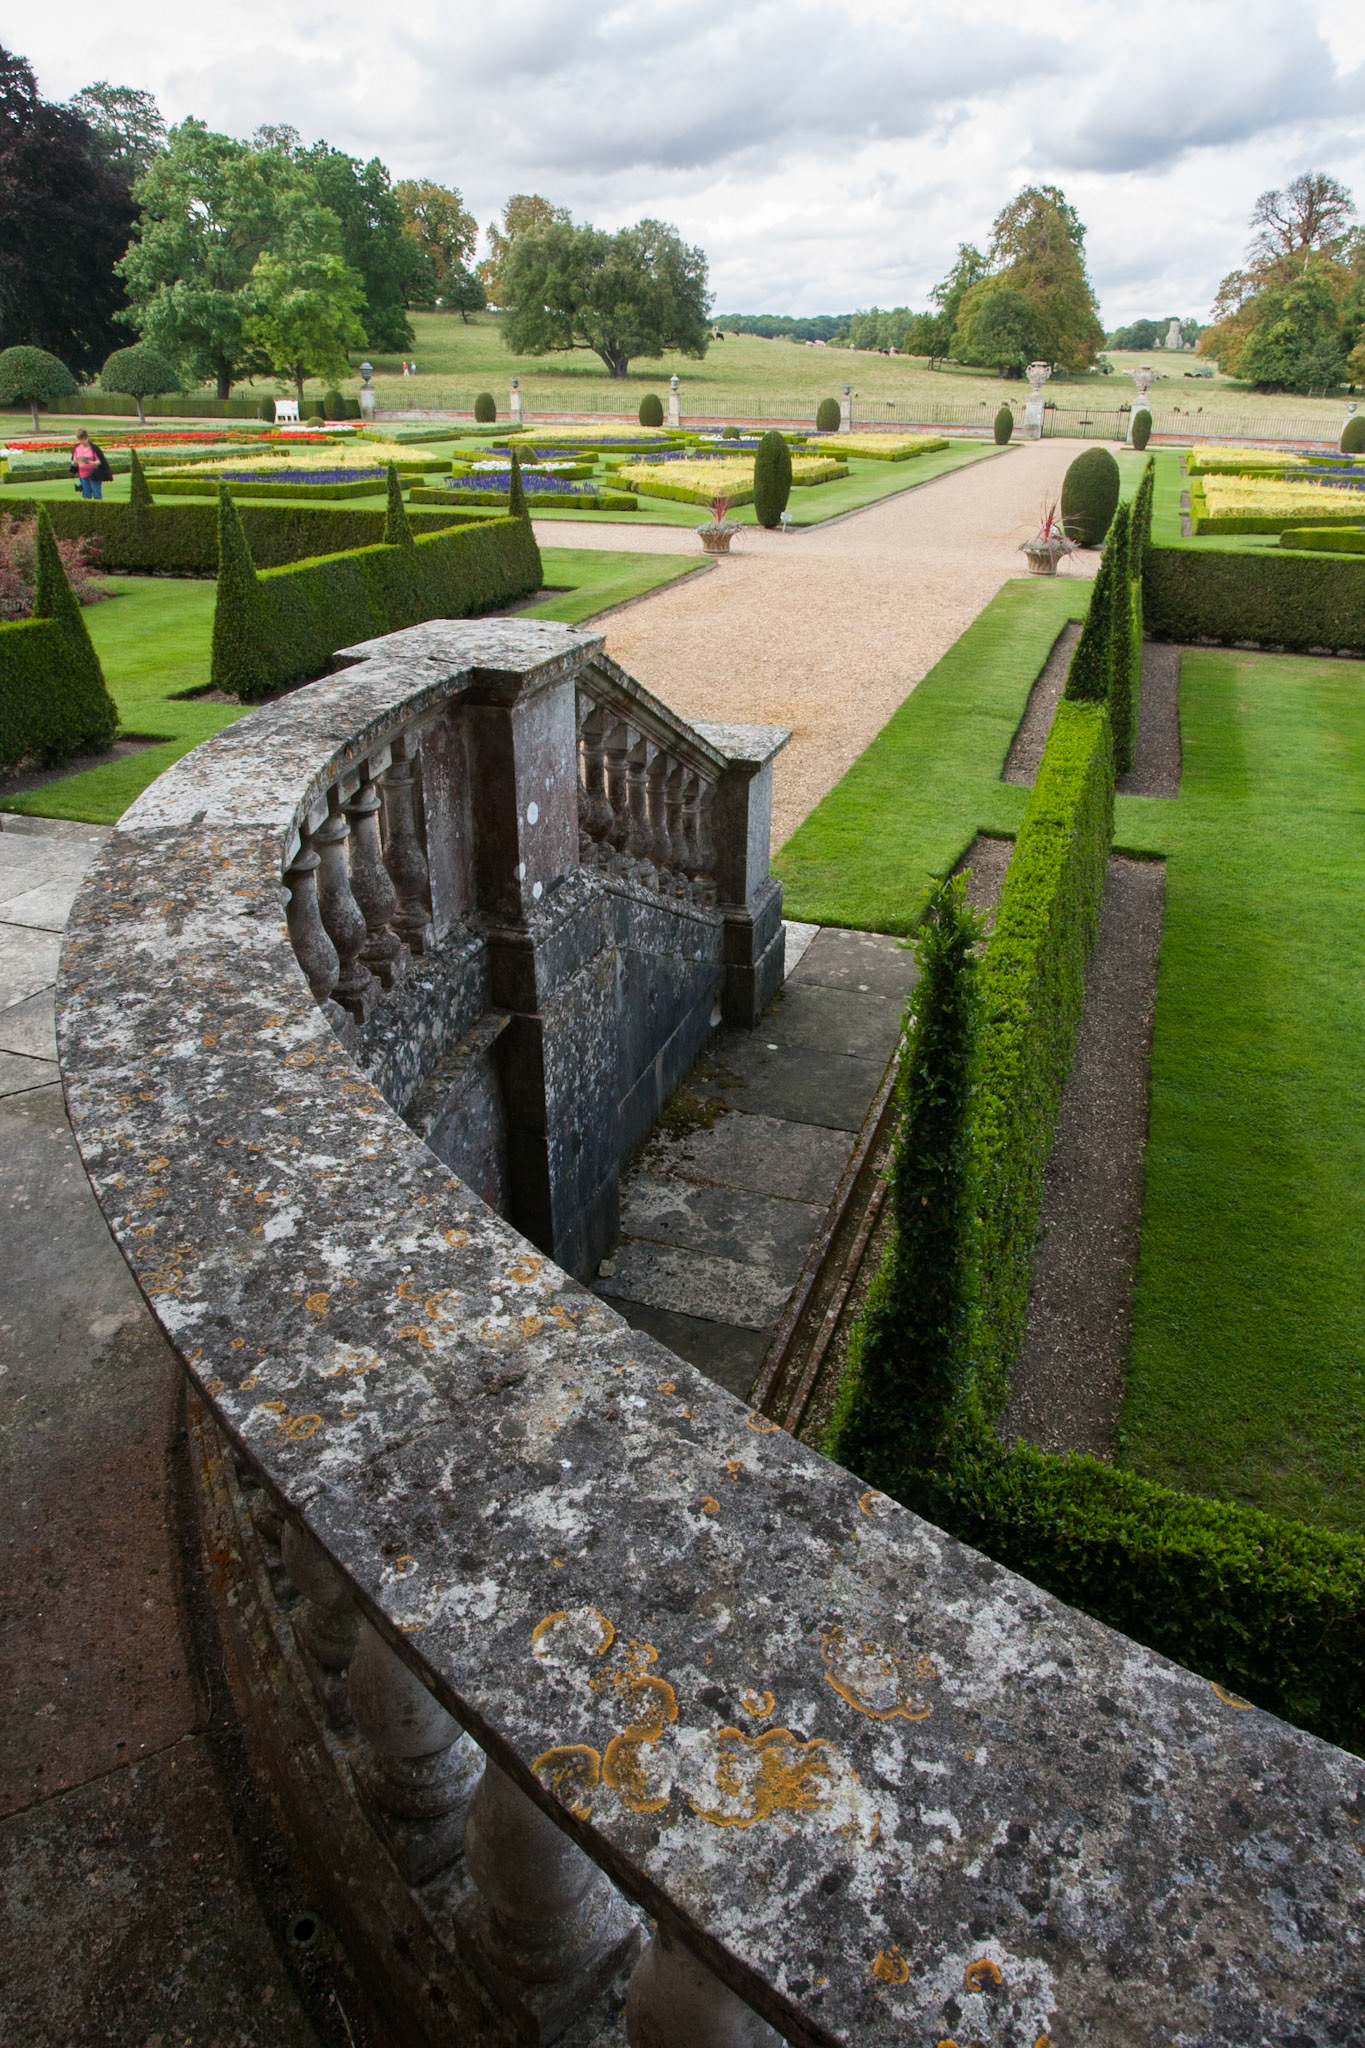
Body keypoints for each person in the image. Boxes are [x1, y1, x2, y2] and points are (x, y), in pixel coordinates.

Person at [71, 433, 110, 500]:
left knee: (97, 495)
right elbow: (73, 461)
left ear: (86, 438)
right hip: (83, 475)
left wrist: (89, 462)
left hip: (93, 475)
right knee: (86, 496)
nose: (82, 441)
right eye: (80, 440)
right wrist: (74, 463)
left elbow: (99, 462)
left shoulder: (93, 448)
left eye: (83, 439)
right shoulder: (77, 448)